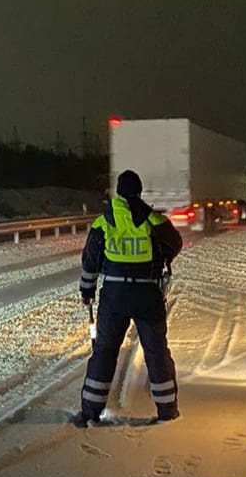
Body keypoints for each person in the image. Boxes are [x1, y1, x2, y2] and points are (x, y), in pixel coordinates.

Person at [76, 169, 184, 425]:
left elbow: (90, 260)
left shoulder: (104, 221)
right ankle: (167, 411)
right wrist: (160, 258)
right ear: (139, 190)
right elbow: (175, 244)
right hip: (147, 294)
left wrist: (87, 291)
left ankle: (91, 411)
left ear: (118, 191)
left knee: (104, 351)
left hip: (114, 295)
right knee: (156, 353)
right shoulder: (152, 219)